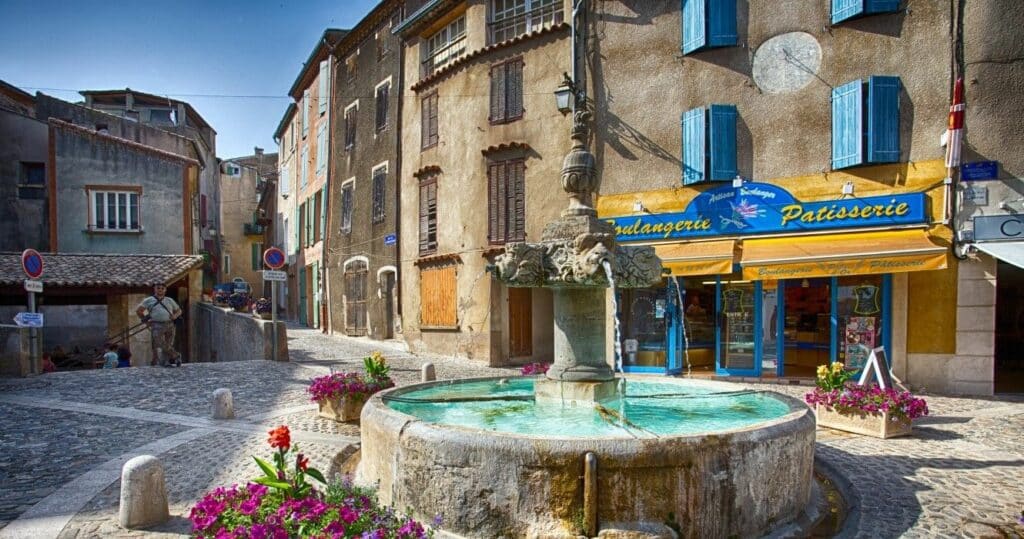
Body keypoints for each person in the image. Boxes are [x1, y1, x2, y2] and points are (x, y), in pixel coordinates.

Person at [136, 283, 183, 367]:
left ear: (165, 290)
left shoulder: (169, 300)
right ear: (155, 289)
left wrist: (175, 316)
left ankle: (165, 362)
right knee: (159, 342)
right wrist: (146, 321)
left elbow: (179, 310)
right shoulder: (148, 300)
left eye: (162, 288)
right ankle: (176, 355)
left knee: (168, 344)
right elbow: (139, 311)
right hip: (156, 324)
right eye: (158, 288)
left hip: (170, 324)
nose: (160, 290)